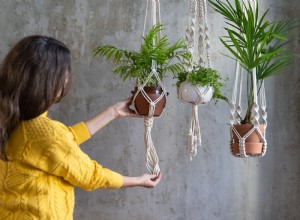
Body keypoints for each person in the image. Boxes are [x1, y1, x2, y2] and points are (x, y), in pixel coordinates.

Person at [0, 35, 162, 219]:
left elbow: (60, 142)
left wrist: (114, 112)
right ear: (50, 81)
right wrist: (138, 180)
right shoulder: (44, 133)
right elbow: (90, 175)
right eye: (65, 72)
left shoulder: (12, 119)